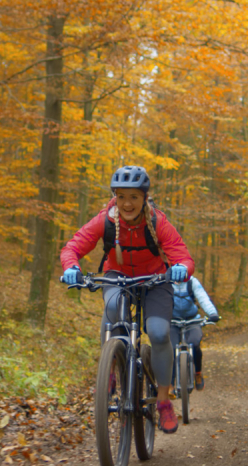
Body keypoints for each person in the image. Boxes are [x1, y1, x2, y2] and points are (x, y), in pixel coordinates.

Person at [59, 165, 195, 435]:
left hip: (156, 280)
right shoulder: (105, 220)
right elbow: (73, 246)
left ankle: (164, 401)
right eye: (121, 196)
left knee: (158, 333)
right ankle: (109, 370)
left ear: (144, 198)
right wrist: (70, 267)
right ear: (115, 197)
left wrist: (181, 268)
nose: (127, 203)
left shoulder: (158, 222)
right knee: (112, 309)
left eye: (133, 196)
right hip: (117, 276)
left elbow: (184, 257)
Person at [170, 276, 220, 390]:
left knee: (195, 343)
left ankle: (197, 372)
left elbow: (203, 298)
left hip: (192, 320)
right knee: (170, 348)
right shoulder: (166, 281)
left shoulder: (191, 281)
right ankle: (170, 383)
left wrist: (212, 313)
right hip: (172, 321)